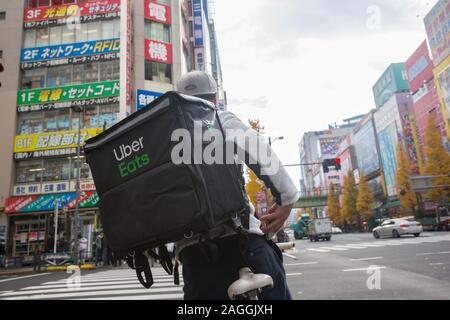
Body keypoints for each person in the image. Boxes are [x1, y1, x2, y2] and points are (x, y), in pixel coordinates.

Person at [175, 71, 299, 300]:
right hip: (242, 243)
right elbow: (260, 152)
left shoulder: (164, 136)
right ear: (214, 99)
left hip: (193, 254)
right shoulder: (218, 119)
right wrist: (287, 200)